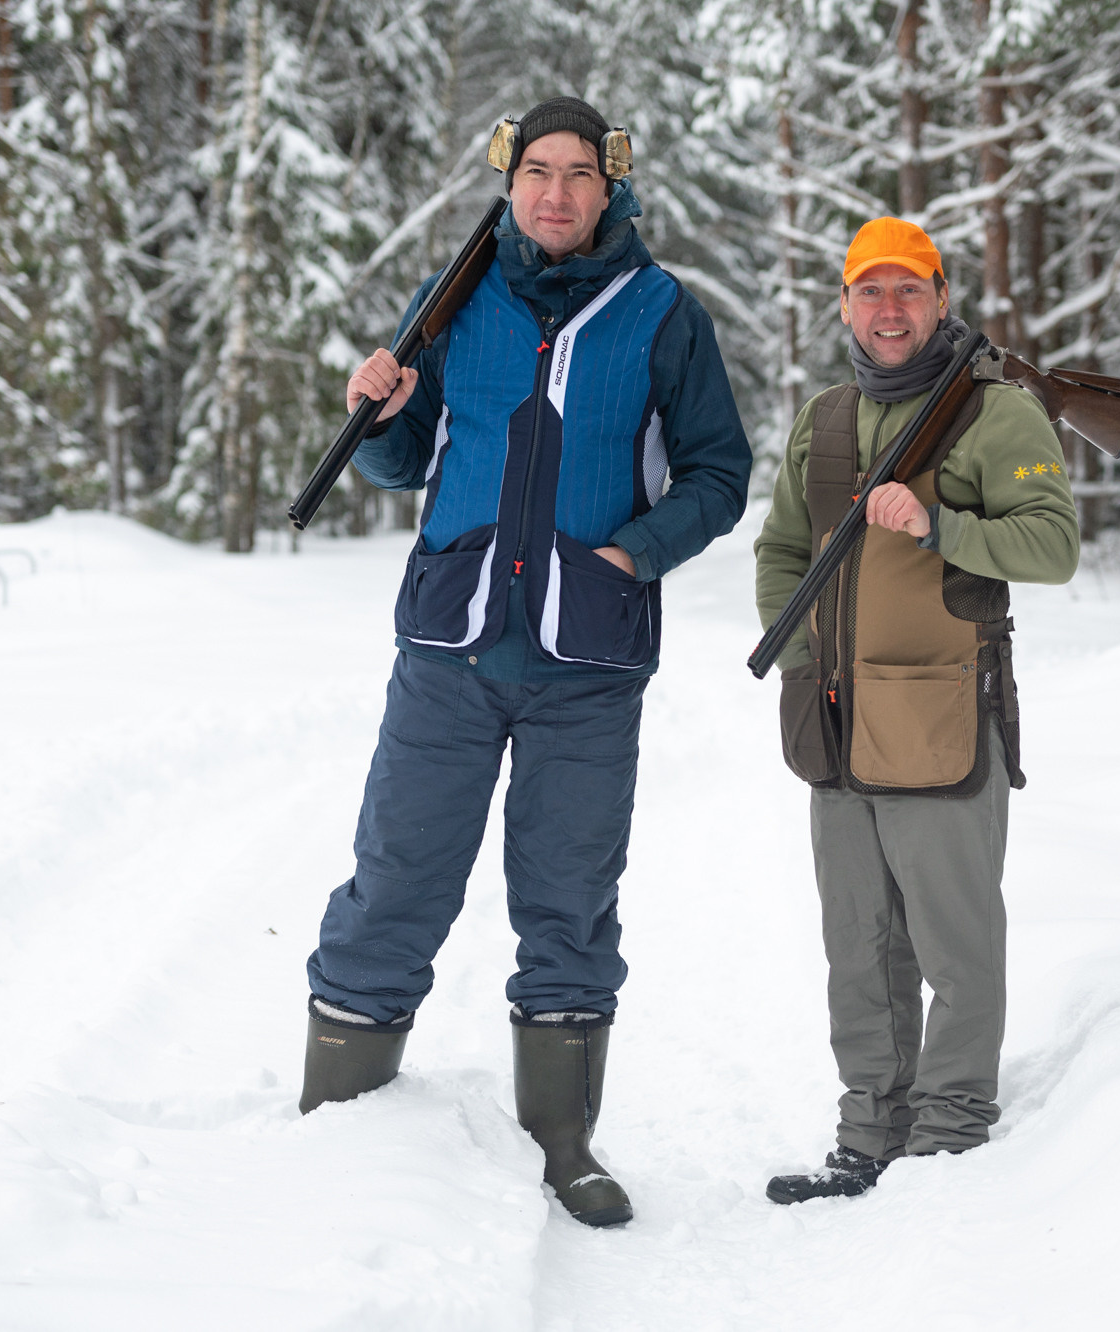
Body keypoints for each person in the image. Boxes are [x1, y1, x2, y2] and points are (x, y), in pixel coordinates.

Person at [299, 97, 751, 1230]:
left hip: (587, 663)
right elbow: (405, 460)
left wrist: (631, 554)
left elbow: (717, 474)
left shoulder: (659, 313)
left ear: (612, 187)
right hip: (448, 648)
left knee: (567, 902)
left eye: (577, 174)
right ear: (509, 183)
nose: (555, 192)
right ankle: (333, 1126)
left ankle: (563, 1145)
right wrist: (379, 411)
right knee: (396, 876)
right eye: (536, 172)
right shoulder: (455, 300)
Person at [753, 217, 1079, 1203]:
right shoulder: (827, 418)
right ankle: (869, 1127)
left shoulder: (994, 414)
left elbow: (1050, 547)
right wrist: (803, 658)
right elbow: (780, 553)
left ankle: (949, 1123)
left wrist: (938, 524)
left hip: (941, 713)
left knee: (952, 934)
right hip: (837, 721)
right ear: (844, 306)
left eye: (908, 289)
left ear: (940, 300)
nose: (887, 309)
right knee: (857, 940)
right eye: (868, 290)